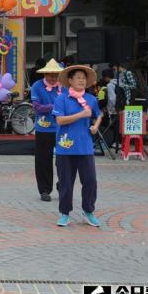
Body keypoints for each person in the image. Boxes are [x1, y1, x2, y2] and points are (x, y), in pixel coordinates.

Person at [52, 65, 103, 228]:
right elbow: (60, 120)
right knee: (66, 182)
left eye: (83, 77)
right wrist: (81, 114)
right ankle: (64, 213)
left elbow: (98, 115)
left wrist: (96, 125)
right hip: (65, 147)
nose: (81, 80)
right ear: (70, 81)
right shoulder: (61, 99)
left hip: (85, 147)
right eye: (78, 77)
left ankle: (88, 212)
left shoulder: (91, 99)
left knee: (90, 181)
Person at [30, 59, 63, 202]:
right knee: (43, 160)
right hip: (43, 129)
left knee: (65, 160)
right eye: (50, 74)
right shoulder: (37, 86)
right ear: (45, 74)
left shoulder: (65, 87)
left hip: (62, 128)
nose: (53, 77)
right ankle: (44, 190)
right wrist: (55, 105)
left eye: (55, 75)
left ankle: (63, 186)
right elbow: (37, 108)